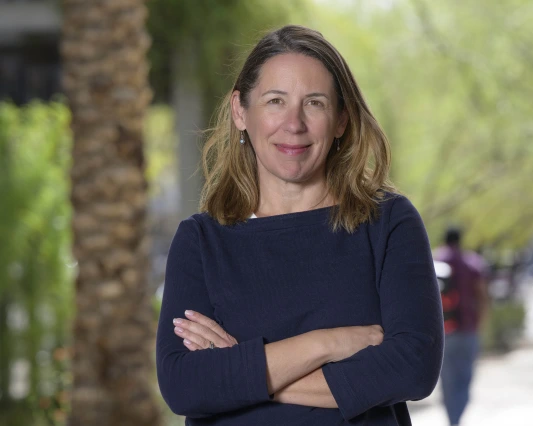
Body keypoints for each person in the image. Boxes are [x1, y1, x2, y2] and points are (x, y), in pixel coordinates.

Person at [156, 25, 444, 425]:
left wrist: (239, 369)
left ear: (341, 119)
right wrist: (329, 344)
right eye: (275, 101)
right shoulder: (201, 240)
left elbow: (413, 368)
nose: (294, 124)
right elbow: (183, 385)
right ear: (241, 111)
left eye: (314, 103)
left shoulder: (388, 223)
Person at [433, 226, 489, 426]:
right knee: (465, 378)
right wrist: (480, 324)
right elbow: (482, 297)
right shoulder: (472, 263)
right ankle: (456, 418)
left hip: (443, 332)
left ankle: (452, 419)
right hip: (467, 330)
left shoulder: (434, 260)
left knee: (446, 380)